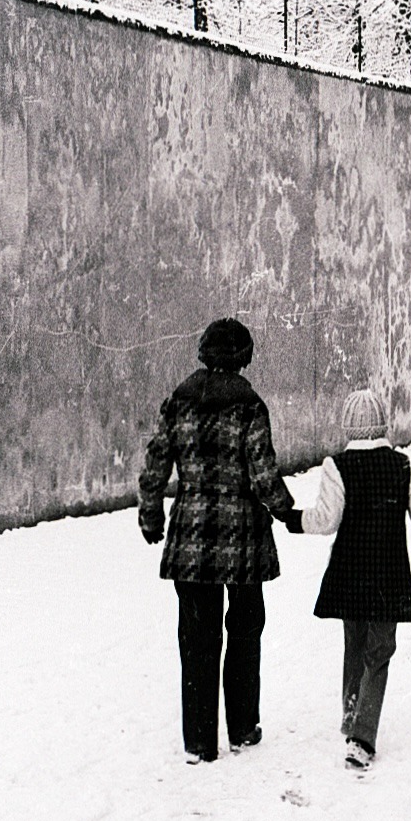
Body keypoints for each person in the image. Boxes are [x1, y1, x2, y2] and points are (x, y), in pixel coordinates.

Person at [138, 317, 298, 763]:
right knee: (245, 631)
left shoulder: (179, 402)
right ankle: (243, 728)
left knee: (196, 637)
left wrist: (151, 516)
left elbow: (155, 465)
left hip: (190, 537)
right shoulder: (249, 407)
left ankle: (199, 741)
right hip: (243, 538)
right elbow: (263, 475)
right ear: (244, 357)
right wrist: (287, 512)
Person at [288, 387, 411, 771]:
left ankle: (352, 713)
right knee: (379, 652)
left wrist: (296, 521)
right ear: (384, 423)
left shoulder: (337, 466)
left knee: (355, 643)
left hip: (350, 572)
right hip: (388, 574)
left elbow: (326, 520)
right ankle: (363, 736)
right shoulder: (403, 466)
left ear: (348, 426)